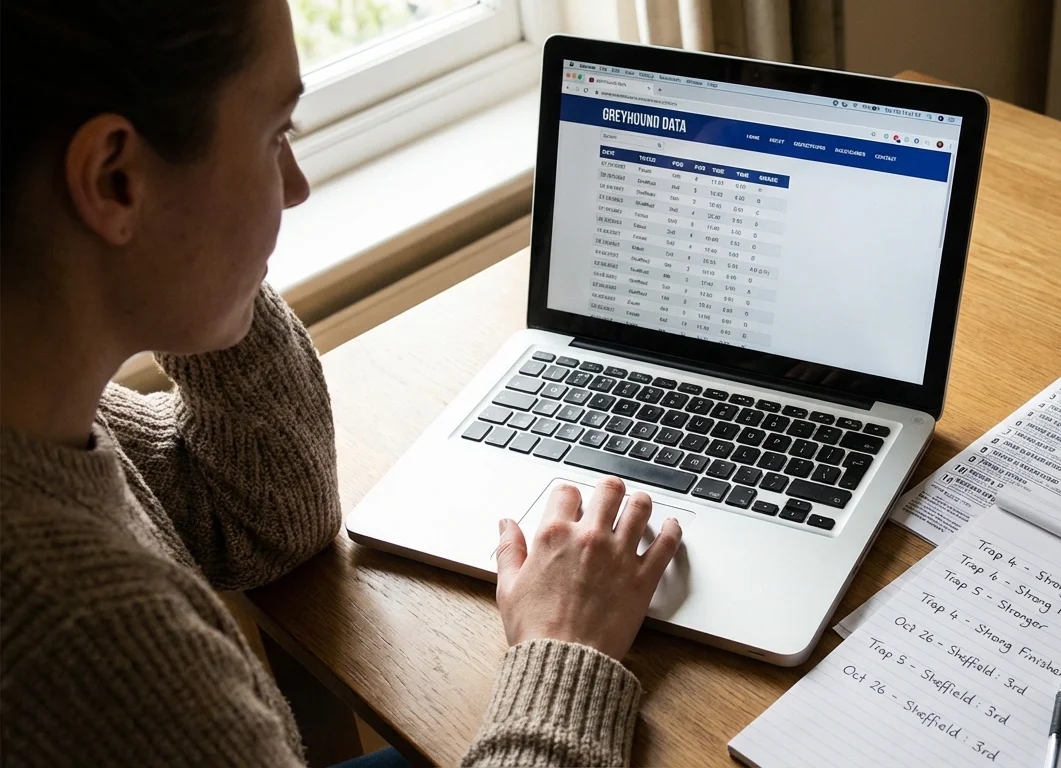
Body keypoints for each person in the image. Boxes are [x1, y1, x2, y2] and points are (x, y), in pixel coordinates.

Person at [0, 0, 682, 765]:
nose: (295, 189)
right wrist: (564, 653)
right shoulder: (92, 642)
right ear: (115, 179)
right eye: (275, 135)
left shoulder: (39, 407)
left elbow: (264, 518)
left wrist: (183, 261)